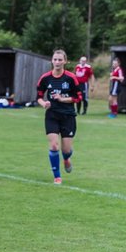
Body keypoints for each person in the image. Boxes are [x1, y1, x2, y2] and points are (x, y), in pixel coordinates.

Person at [36, 49, 80, 184]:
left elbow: (78, 98)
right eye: (55, 59)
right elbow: (38, 97)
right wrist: (44, 103)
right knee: (54, 146)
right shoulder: (45, 78)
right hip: (52, 115)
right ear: (52, 61)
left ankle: (66, 159)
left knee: (66, 150)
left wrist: (62, 99)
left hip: (68, 117)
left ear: (65, 61)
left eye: (60, 60)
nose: (57, 62)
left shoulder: (71, 78)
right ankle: (57, 176)